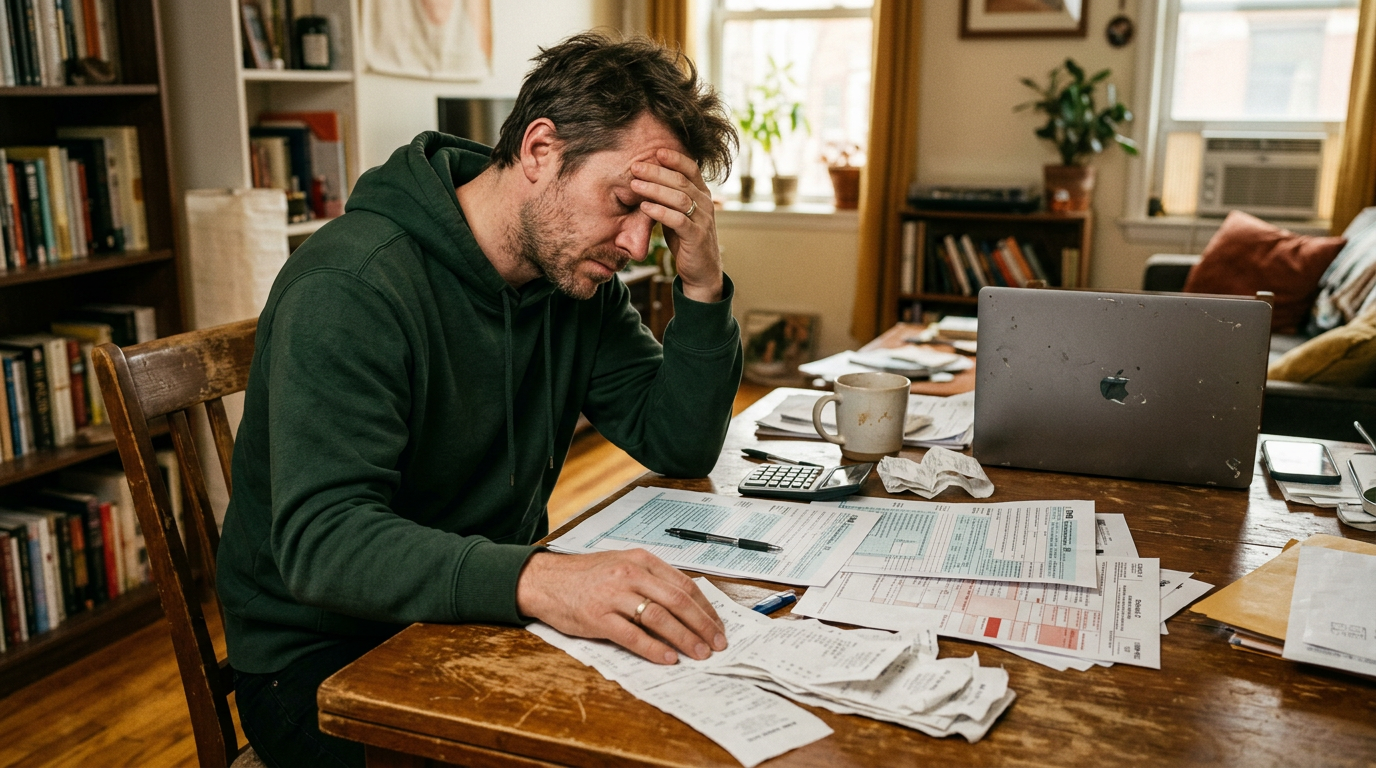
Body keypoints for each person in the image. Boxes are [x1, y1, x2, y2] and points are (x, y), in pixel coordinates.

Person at [216, 32, 744, 768]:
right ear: (539, 150)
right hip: (322, 665)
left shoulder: (574, 279)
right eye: (625, 202)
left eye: (657, 222)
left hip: (474, 616)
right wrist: (542, 578)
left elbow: (680, 442)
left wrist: (703, 284)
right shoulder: (351, 286)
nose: (634, 242)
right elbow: (324, 543)